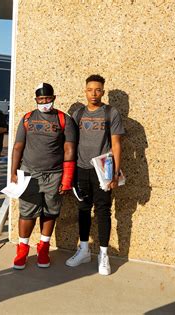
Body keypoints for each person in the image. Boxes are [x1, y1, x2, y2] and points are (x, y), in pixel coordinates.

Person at [11, 83, 76, 269]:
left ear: (54, 98)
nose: (44, 102)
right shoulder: (27, 118)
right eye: (41, 99)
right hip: (28, 173)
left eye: (48, 99)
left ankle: (43, 247)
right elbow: (17, 147)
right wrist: (14, 172)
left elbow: (69, 149)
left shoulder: (64, 119)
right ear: (36, 100)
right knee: (27, 212)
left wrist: (67, 178)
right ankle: (22, 248)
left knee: (50, 211)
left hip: (54, 174)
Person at [65, 74, 125, 276]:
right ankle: (83, 250)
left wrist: (115, 174)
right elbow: (71, 143)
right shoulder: (78, 113)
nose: (94, 94)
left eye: (98, 90)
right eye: (90, 90)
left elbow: (116, 144)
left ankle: (103, 254)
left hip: (104, 170)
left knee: (103, 211)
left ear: (103, 91)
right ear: (85, 91)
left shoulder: (111, 113)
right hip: (81, 169)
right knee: (83, 209)